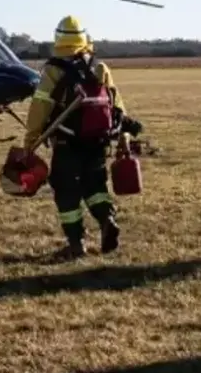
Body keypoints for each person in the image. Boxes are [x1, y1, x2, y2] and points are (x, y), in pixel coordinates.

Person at [18, 15, 140, 259]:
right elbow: (117, 105)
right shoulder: (99, 67)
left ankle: (76, 244)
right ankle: (106, 219)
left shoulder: (53, 70)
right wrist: (125, 134)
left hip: (67, 142)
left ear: (58, 39)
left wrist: (30, 141)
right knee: (95, 186)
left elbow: (39, 108)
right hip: (98, 140)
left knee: (66, 191)